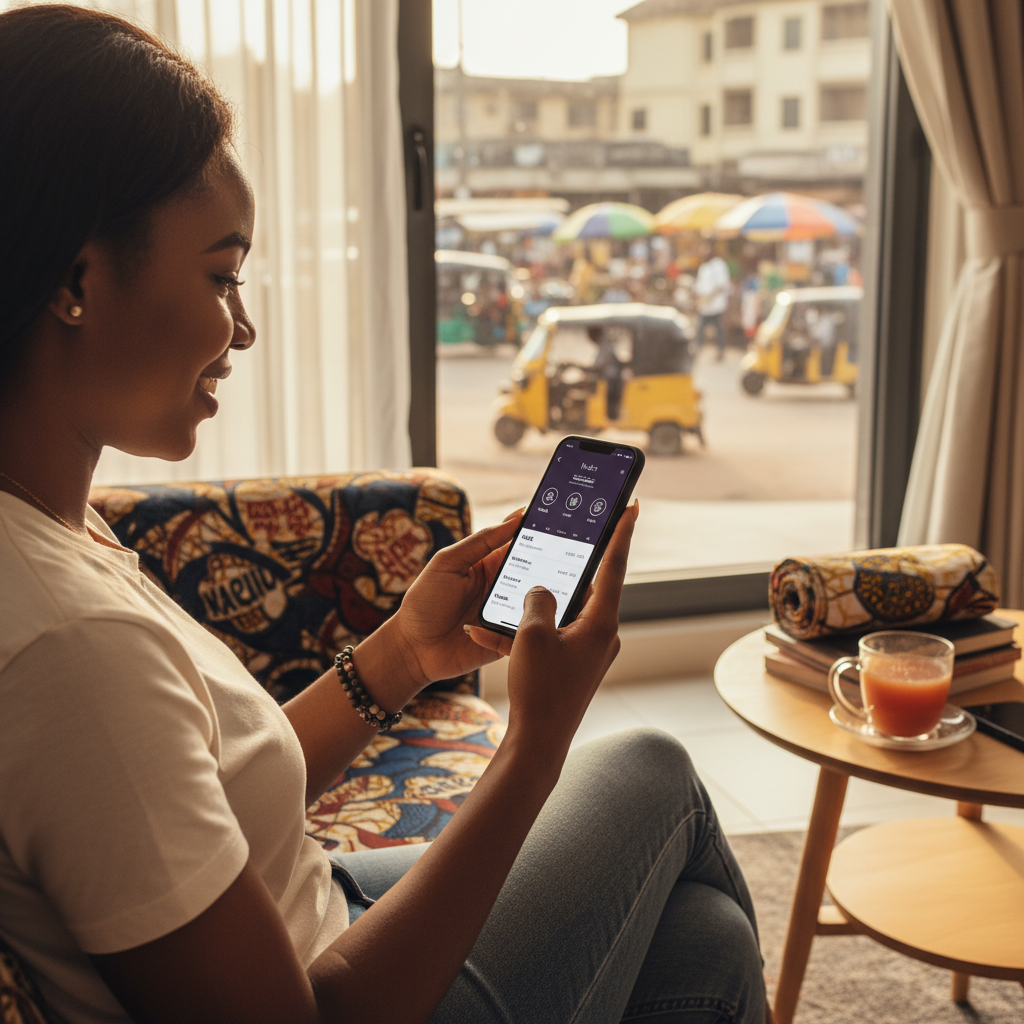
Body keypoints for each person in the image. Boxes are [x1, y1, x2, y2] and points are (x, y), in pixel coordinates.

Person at [0, 7, 766, 1023]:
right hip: (341, 989)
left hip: (311, 905)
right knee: (655, 766)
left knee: (700, 940)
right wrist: (536, 737)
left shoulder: (48, 525)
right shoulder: (70, 646)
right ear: (74, 280)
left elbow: (203, 793)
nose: (246, 324)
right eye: (222, 275)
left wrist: (402, 651)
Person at [693, 243, 732, 360]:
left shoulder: (719, 265)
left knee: (719, 329)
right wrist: (700, 299)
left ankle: (720, 351)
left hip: (716, 305)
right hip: (704, 305)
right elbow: (699, 287)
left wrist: (709, 299)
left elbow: (721, 286)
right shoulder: (704, 267)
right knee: (700, 328)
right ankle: (697, 350)